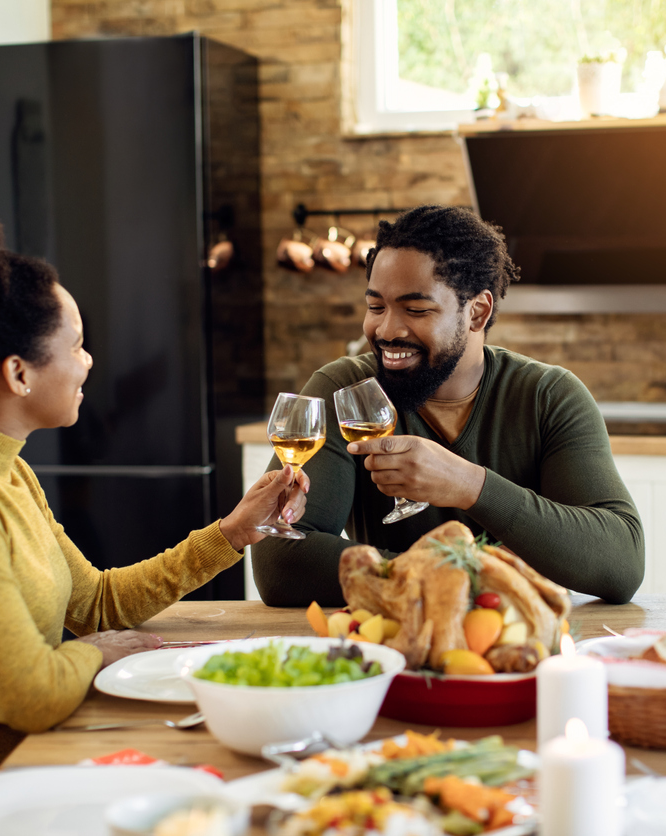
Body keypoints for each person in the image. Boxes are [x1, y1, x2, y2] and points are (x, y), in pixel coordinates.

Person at [0, 215, 308, 835]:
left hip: (5, 780)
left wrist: (233, 532)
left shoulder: (4, 471)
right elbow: (31, 694)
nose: (89, 360)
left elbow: (97, 602)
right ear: (19, 373)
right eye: (76, 343)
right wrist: (98, 653)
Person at [252, 205, 643, 607]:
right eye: (375, 307)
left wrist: (469, 484)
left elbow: (621, 563)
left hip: (525, 651)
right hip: (393, 648)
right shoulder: (344, 390)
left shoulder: (548, 396)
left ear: (477, 312)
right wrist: (453, 580)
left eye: (416, 309)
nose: (386, 330)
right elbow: (280, 563)